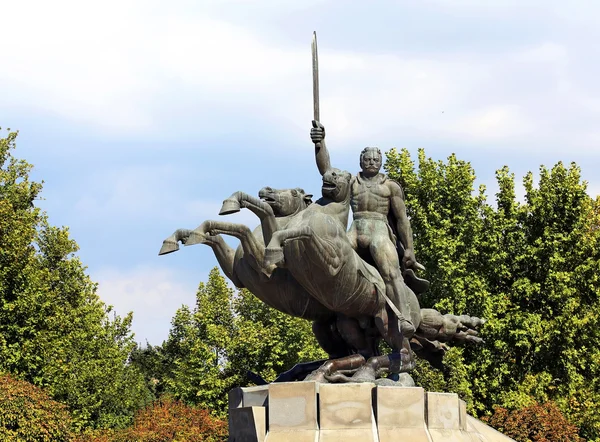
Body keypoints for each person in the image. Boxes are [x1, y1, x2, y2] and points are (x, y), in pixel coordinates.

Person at [310, 120, 423, 337]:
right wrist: (320, 142)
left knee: (391, 271)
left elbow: (402, 220)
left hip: (379, 230)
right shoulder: (352, 181)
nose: (371, 162)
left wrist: (409, 249)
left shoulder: (390, 187)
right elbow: (327, 170)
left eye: (375, 159)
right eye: (367, 159)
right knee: (331, 259)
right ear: (361, 161)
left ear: (381, 162)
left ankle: (404, 316)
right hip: (355, 228)